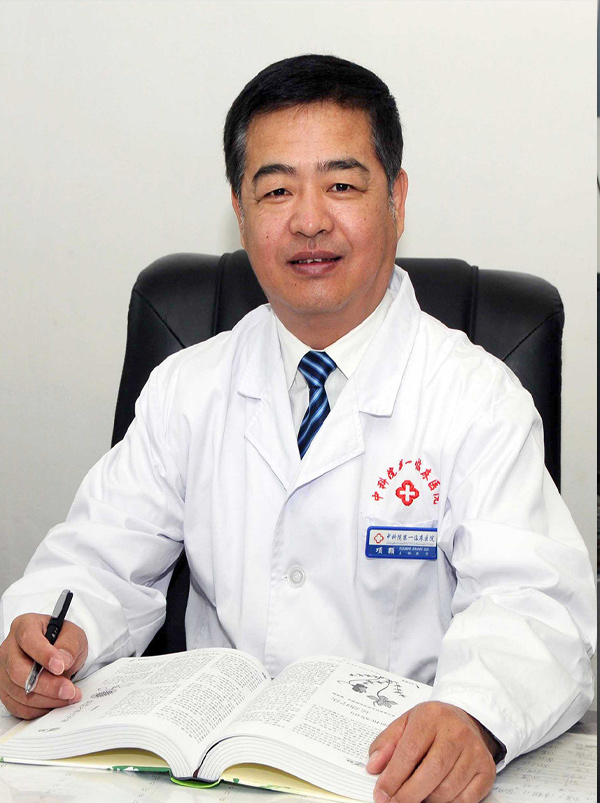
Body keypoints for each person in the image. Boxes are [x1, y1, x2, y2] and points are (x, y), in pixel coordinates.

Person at [0, 54, 595, 803]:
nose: (310, 220)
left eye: (342, 185)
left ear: (397, 198)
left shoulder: (478, 397)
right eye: (277, 189)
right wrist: (47, 632)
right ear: (240, 209)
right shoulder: (187, 386)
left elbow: (537, 606)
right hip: (207, 776)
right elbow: (97, 560)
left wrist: (474, 715)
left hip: (391, 777)